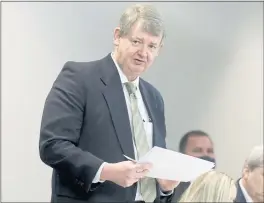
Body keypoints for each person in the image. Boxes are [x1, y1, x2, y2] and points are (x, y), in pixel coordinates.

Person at [39, 3, 178, 203]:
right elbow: (52, 145)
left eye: (152, 46)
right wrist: (105, 171)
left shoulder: (154, 97)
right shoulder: (78, 78)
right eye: (137, 41)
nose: (143, 52)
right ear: (117, 36)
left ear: (159, 50)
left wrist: (164, 188)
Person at [170, 130, 216, 202]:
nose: (206, 155)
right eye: (198, 150)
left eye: (210, 151)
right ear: (182, 156)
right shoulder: (170, 191)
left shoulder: (223, 189)